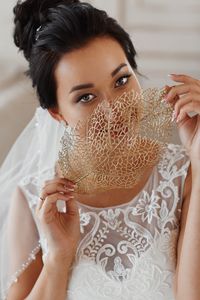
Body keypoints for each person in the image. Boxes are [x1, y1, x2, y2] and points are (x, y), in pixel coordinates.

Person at [0, 0, 200, 299]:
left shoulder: (184, 173)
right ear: (56, 113)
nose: (114, 110)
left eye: (121, 80)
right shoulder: (34, 198)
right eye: (86, 97)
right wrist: (57, 259)